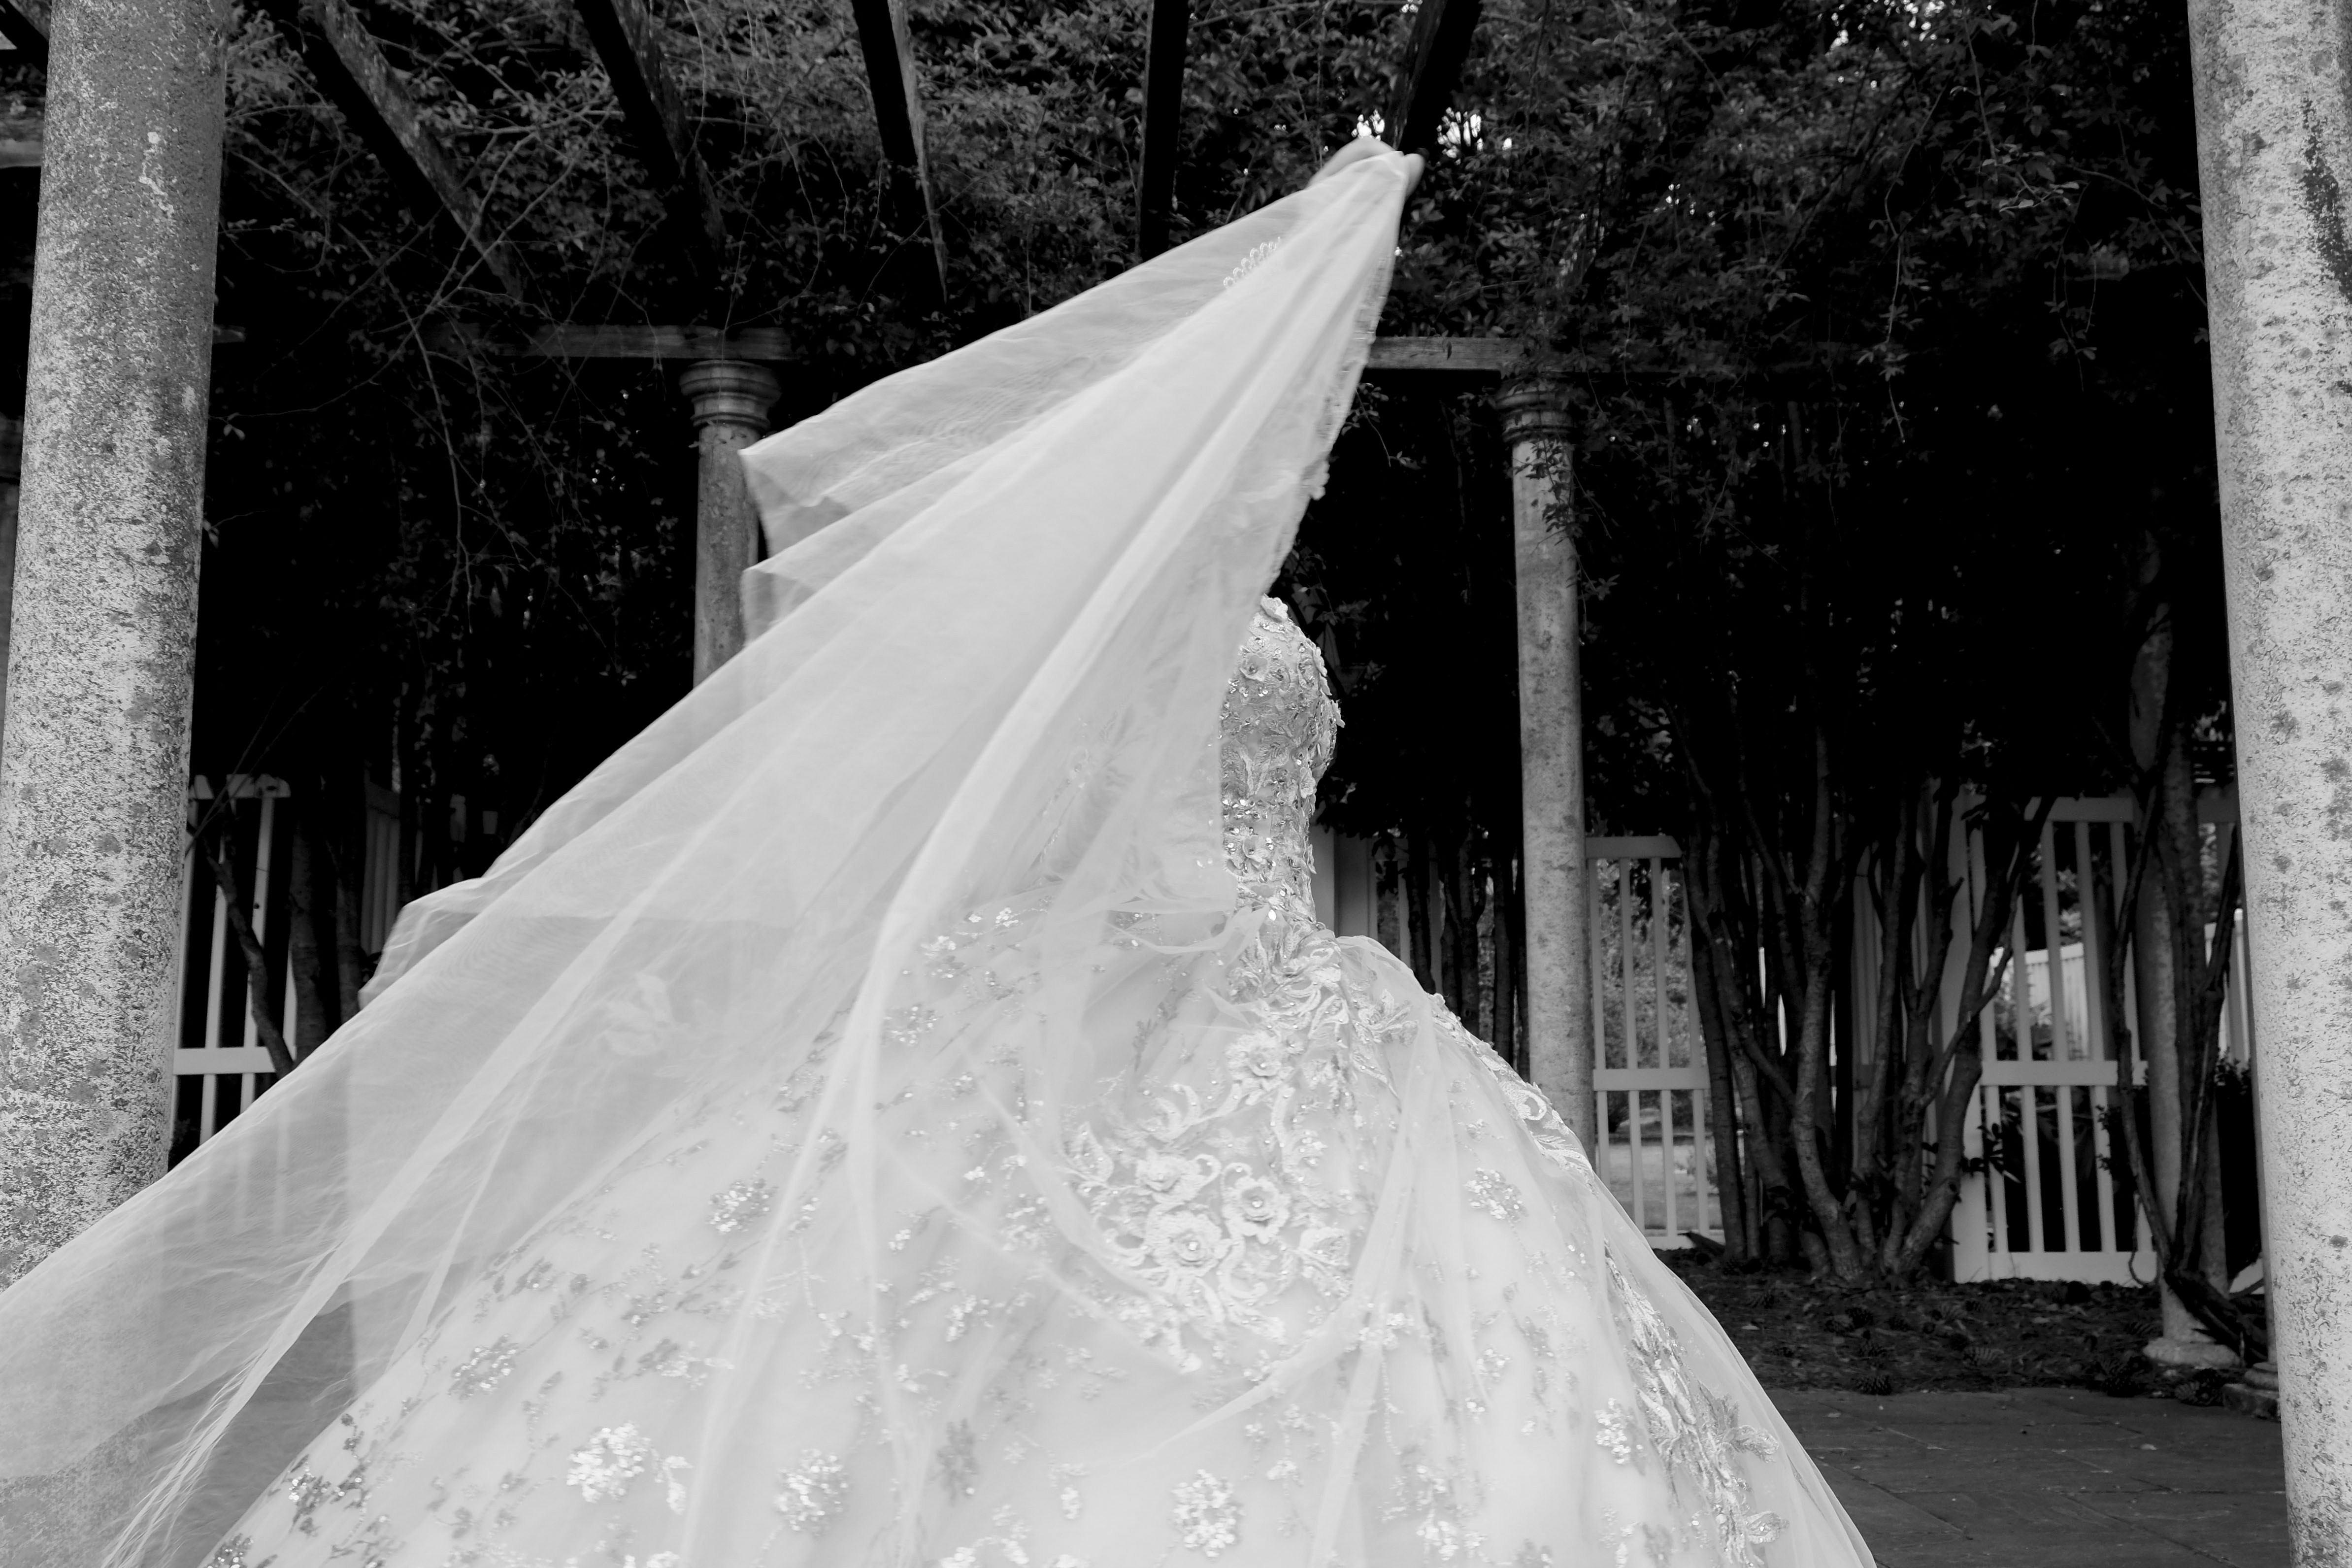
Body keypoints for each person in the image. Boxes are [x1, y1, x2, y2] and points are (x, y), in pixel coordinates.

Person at [0, 142, 1872, 1568]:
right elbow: (1009, 830)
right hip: (1141, 993)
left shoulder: (1219, 610)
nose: (1297, 438)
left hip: (1273, 1016)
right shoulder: (1117, 615)